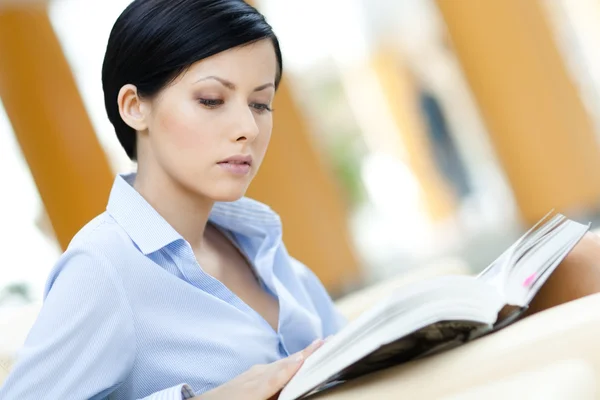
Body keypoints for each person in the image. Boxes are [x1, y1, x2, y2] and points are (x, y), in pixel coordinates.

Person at [2, 0, 600, 399]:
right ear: (136, 107)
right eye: (212, 100)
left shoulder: (252, 241)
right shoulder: (105, 267)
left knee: (579, 260)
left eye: (260, 102)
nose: (247, 128)